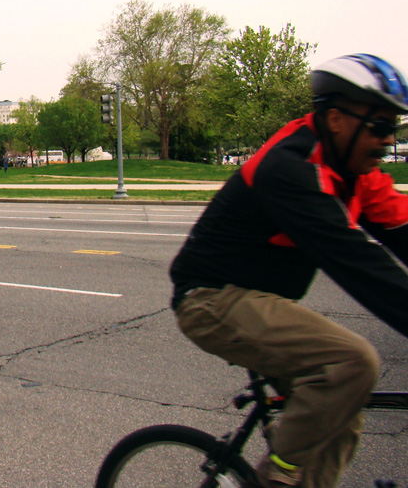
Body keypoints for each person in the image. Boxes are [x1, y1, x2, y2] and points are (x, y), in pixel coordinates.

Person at [170, 54, 408, 488]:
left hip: (263, 301)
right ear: (337, 118)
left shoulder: (357, 170)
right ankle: (277, 479)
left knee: (341, 415)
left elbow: (403, 228)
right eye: (379, 126)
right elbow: (361, 265)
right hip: (211, 299)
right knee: (352, 362)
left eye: (394, 128)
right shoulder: (291, 169)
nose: (387, 140)